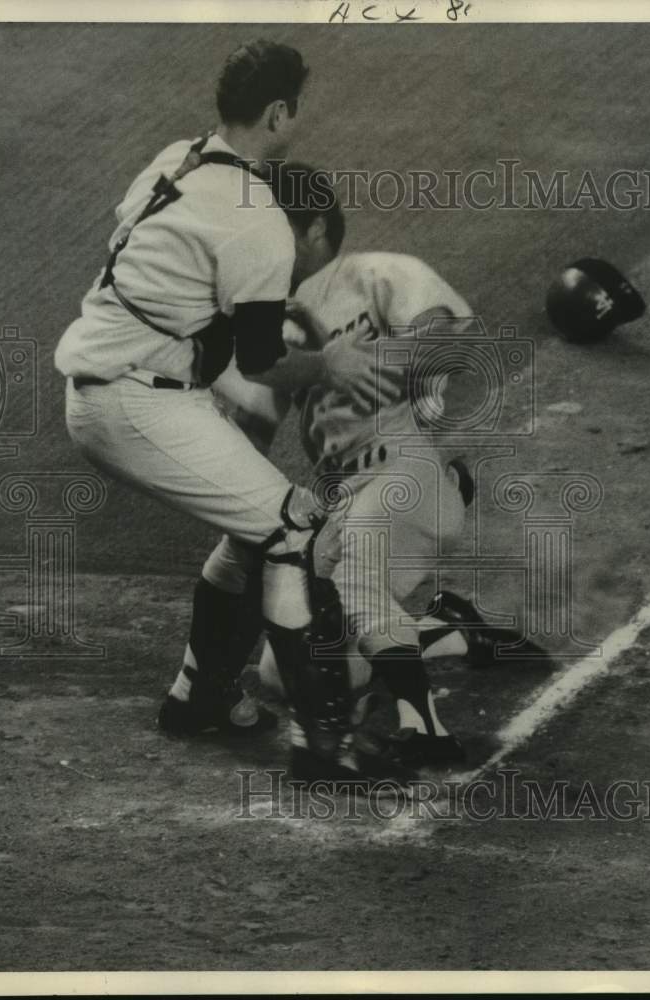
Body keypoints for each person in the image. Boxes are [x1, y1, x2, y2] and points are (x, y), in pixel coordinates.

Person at [54, 44, 409, 790]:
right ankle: (325, 744)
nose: (297, 122)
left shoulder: (176, 160)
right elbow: (259, 362)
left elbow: (173, 293)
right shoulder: (259, 226)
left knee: (260, 533)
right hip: (132, 401)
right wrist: (331, 364)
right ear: (278, 113)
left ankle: (199, 700)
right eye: (296, 109)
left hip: (125, 386)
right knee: (298, 527)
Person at [194, 164, 500, 767]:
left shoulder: (378, 273)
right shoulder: (271, 321)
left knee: (357, 579)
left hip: (403, 473)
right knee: (291, 670)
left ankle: (426, 728)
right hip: (345, 496)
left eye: (269, 228)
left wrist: (371, 359)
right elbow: (253, 429)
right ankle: (450, 629)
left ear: (311, 230)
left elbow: (454, 341)